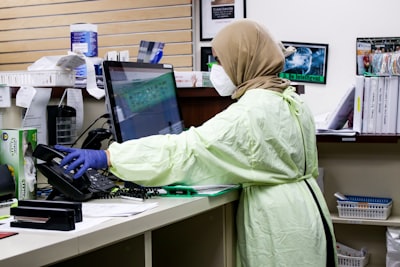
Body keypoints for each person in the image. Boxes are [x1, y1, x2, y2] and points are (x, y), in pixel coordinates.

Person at [55, 19, 338, 267]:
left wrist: (109, 158)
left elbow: (186, 152)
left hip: (279, 225)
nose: (217, 68)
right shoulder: (289, 98)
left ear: (244, 60)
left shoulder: (251, 112)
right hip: (307, 214)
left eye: (221, 61)